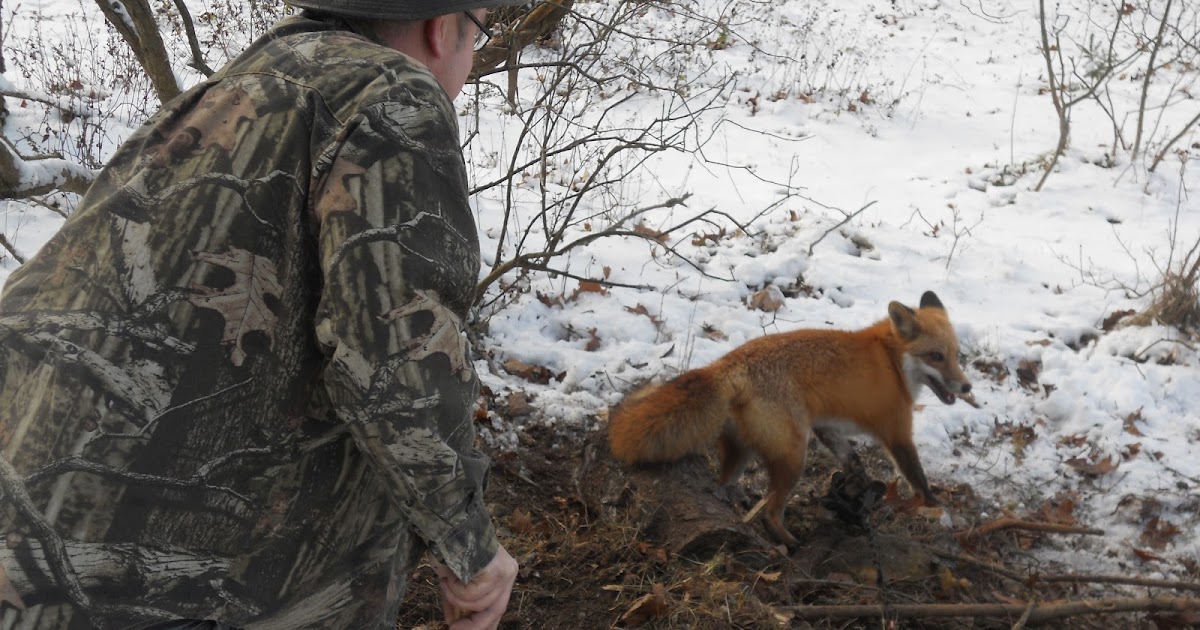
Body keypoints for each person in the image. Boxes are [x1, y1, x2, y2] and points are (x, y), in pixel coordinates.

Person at [0, 1, 525, 628]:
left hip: (29, 510)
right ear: (444, 29)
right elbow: (394, 357)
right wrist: (470, 548)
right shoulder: (394, 91)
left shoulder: (224, 91)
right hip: (130, 565)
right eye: (480, 33)